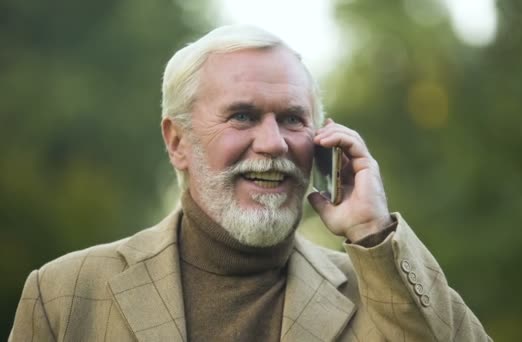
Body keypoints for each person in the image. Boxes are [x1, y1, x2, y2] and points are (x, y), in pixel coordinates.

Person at [10, 25, 491, 341]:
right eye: (242, 116)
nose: (274, 144)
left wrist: (373, 232)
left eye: (293, 119)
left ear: (323, 140)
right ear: (178, 140)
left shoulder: (380, 292)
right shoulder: (64, 296)